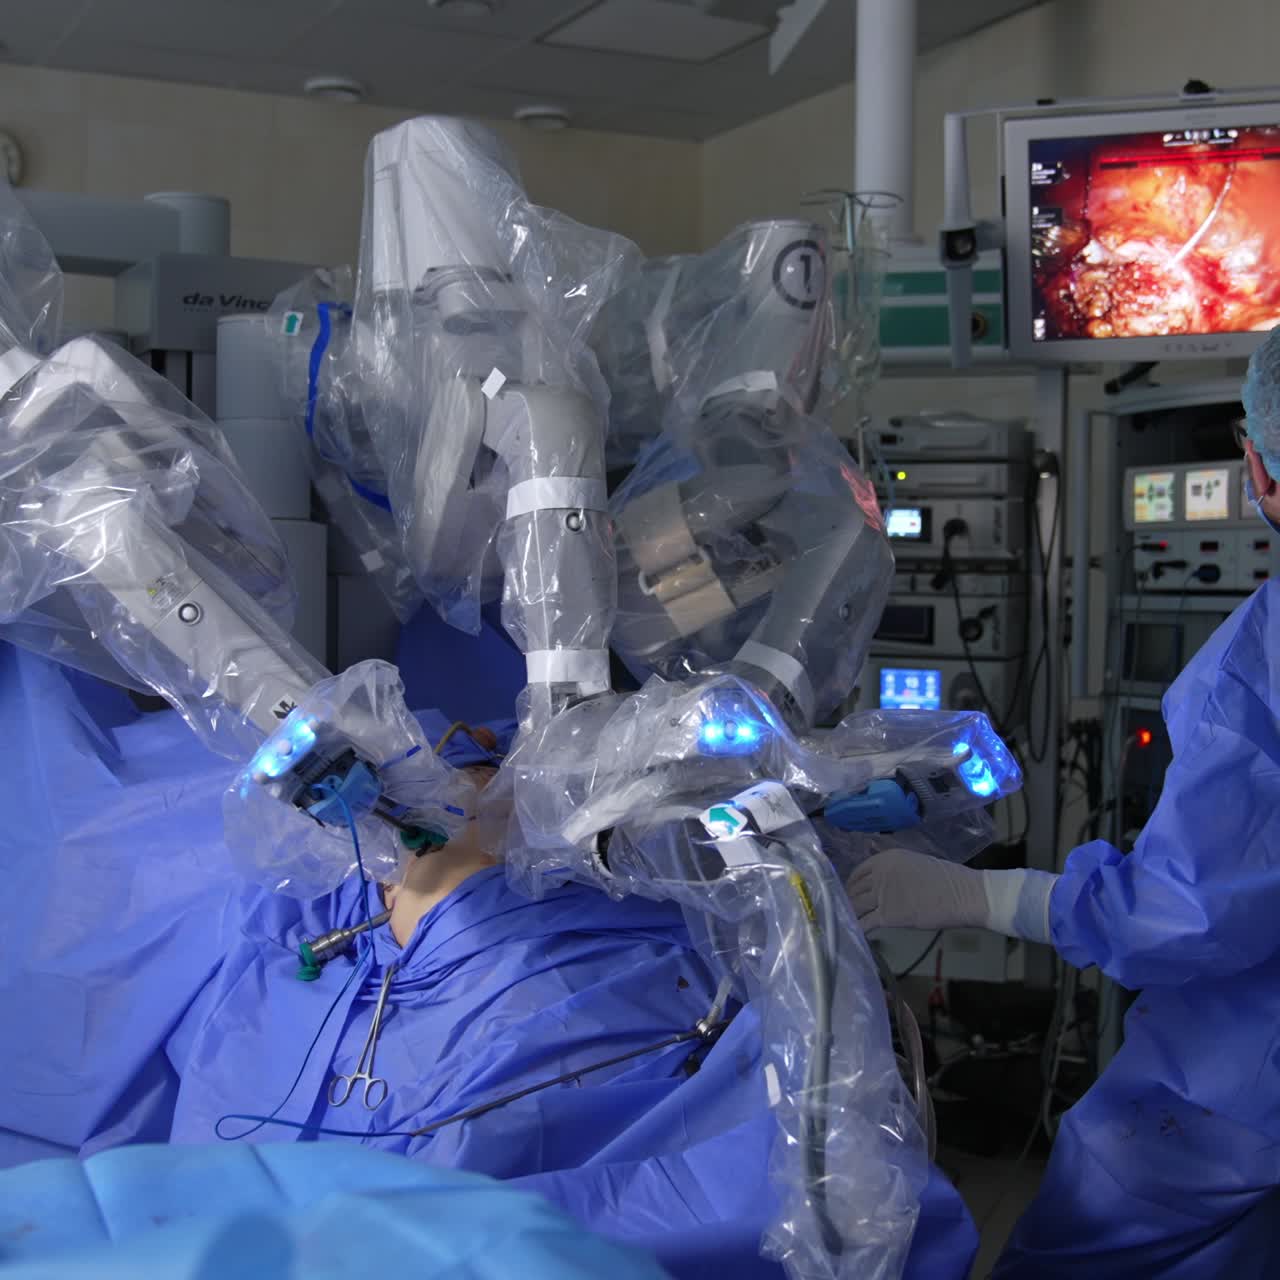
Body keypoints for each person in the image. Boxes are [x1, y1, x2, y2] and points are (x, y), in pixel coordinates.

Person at [0, 637, 979, 1280]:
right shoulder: (290, 929)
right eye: (473, 749)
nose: (484, 754)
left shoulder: (625, 955)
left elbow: (804, 1203)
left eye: (486, 754)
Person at [848, 328, 1280, 1279]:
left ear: (1259, 467)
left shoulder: (1253, 682)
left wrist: (981, 899)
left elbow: (1181, 915)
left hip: (1236, 1109)